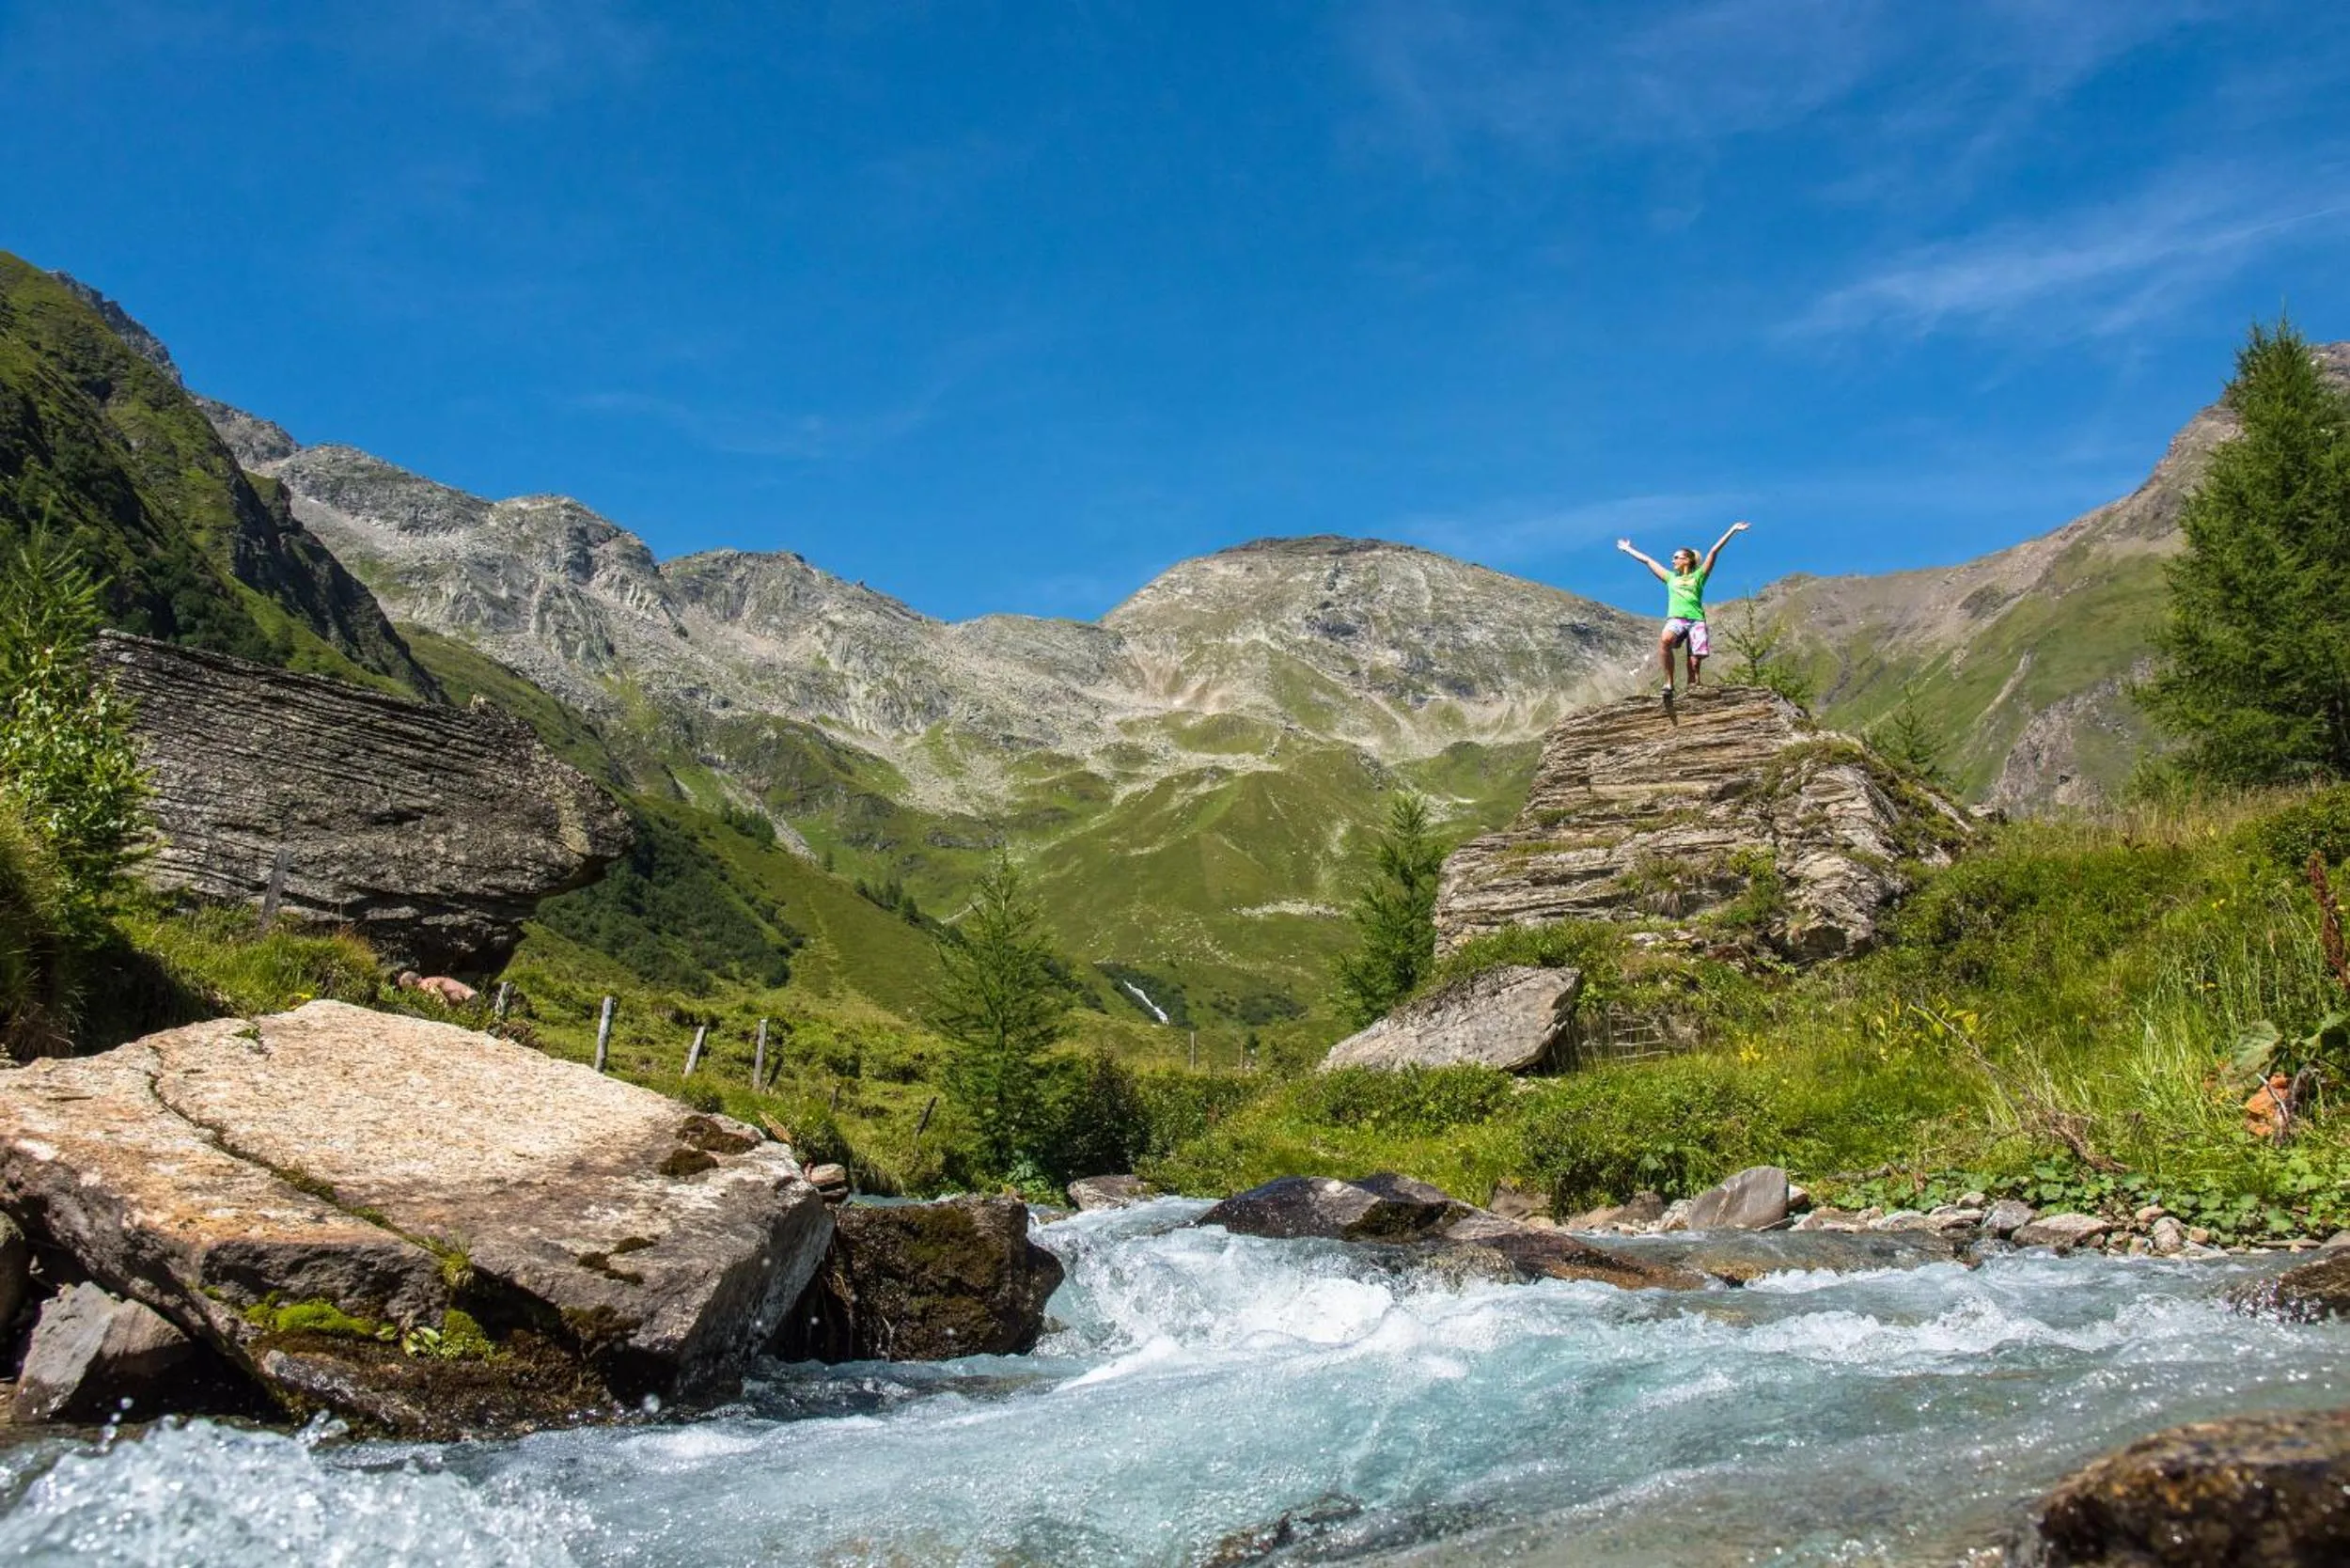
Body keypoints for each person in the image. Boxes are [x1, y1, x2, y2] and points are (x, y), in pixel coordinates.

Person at [1618, 521, 1749, 697]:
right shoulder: (1670, 578)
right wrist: (1628, 549)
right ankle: (1669, 683)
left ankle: (1692, 689)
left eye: (1676, 557)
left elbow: (1713, 551)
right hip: (1677, 618)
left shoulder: (1699, 576)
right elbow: (1648, 561)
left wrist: (1732, 530)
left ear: (1687, 560)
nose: (1672, 560)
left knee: (1694, 664)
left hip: (1696, 620)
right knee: (1665, 640)